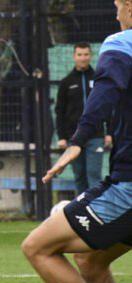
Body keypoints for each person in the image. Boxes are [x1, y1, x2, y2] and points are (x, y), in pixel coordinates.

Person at [21, 0, 132, 283]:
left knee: (37, 246)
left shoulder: (121, 43)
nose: (116, 11)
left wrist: (78, 139)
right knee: (91, 260)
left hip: (129, 187)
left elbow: (106, 90)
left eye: (118, 4)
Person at [55, 42, 113, 194]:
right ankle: (81, 213)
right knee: (79, 176)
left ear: (91, 56)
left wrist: (109, 133)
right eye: (79, 55)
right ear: (74, 56)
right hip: (73, 138)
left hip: (96, 136)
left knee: (94, 175)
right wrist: (62, 137)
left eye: (86, 54)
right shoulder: (66, 82)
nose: (83, 58)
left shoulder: (99, 79)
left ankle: (97, 212)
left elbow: (107, 107)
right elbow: (59, 112)